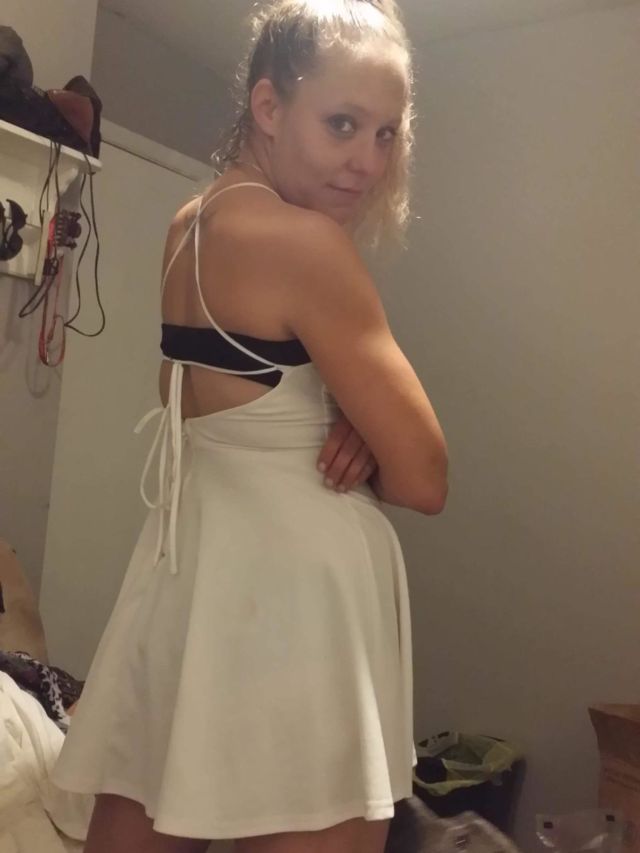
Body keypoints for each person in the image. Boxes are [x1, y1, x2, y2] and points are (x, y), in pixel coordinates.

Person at [51, 1, 449, 851]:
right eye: (343, 124)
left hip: (199, 573)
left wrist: (348, 416)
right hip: (299, 601)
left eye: (387, 134)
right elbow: (425, 476)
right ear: (269, 107)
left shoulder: (190, 225)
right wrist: (362, 426)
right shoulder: (305, 244)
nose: (369, 160)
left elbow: (217, 401)